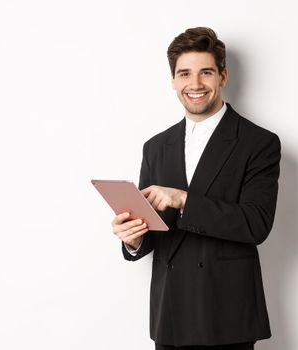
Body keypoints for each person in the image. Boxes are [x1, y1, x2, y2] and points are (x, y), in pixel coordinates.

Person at [112, 27, 281, 350]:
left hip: (226, 314)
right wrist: (134, 238)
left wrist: (184, 199)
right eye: (184, 74)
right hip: (171, 314)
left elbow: (256, 224)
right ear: (173, 81)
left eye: (205, 72)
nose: (195, 84)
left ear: (223, 76)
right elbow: (155, 232)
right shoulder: (156, 146)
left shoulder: (259, 143)